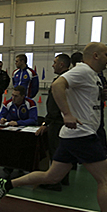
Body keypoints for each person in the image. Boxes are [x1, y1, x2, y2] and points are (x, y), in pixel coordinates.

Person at [0, 42, 107, 212]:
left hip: (74, 136)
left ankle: (6, 184)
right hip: (82, 135)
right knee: (106, 179)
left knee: (51, 176)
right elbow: (57, 85)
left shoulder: (93, 76)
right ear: (95, 55)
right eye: (106, 54)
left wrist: (102, 95)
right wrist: (67, 114)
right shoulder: (82, 71)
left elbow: (83, 97)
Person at [35, 53, 71, 191]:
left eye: (55, 62)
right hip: (64, 122)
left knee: (56, 152)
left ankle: (55, 181)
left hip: (58, 122)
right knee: (64, 151)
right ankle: (64, 179)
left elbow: (54, 106)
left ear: (62, 64)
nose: (53, 65)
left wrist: (47, 123)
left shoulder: (61, 81)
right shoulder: (69, 79)